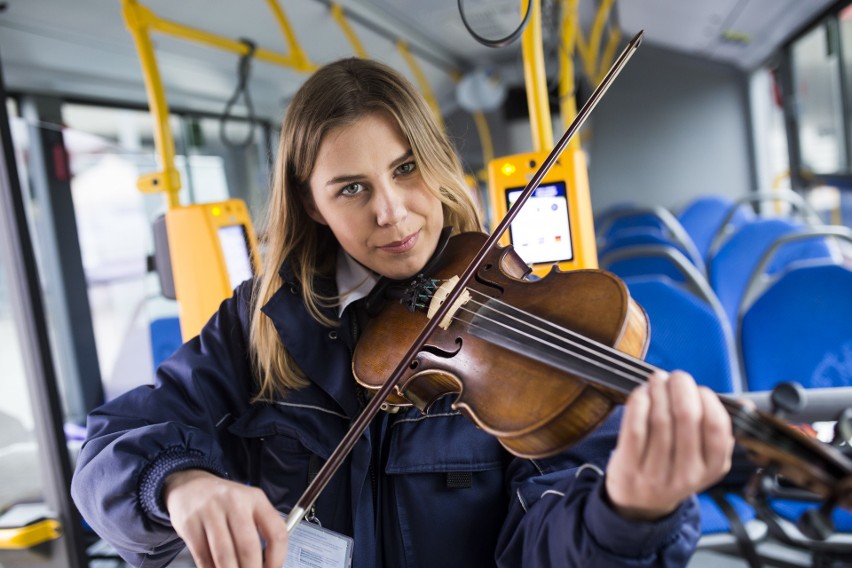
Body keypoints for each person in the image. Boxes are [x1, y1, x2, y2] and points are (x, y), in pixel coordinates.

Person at [71, 57, 735, 568]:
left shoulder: (528, 322)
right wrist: (181, 485)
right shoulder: (257, 326)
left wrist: (627, 513)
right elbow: (105, 452)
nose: (390, 211)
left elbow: (543, 542)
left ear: (439, 163)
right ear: (311, 205)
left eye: (407, 168)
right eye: (352, 188)